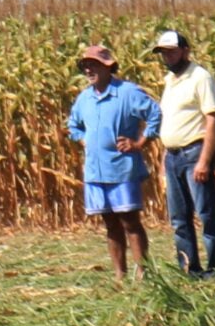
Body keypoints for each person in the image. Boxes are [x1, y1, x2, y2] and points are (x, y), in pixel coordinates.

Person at [65, 42, 160, 280]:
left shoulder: (127, 93)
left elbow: (155, 114)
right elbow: (73, 125)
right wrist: (82, 138)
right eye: (85, 66)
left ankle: (143, 273)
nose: (88, 70)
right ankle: (119, 274)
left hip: (122, 169)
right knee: (110, 223)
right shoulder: (84, 98)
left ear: (108, 67)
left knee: (129, 221)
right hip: (96, 172)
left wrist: (140, 143)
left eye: (93, 65)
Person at [153, 28, 215, 277]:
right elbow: (170, 121)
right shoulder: (169, 81)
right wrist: (164, 160)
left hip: (195, 153)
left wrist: (205, 160)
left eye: (172, 52)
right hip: (172, 156)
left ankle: (214, 269)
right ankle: (189, 269)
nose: (168, 57)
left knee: (206, 215)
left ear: (185, 51)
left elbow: (213, 118)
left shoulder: (200, 77)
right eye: (164, 53)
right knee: (179, 218)